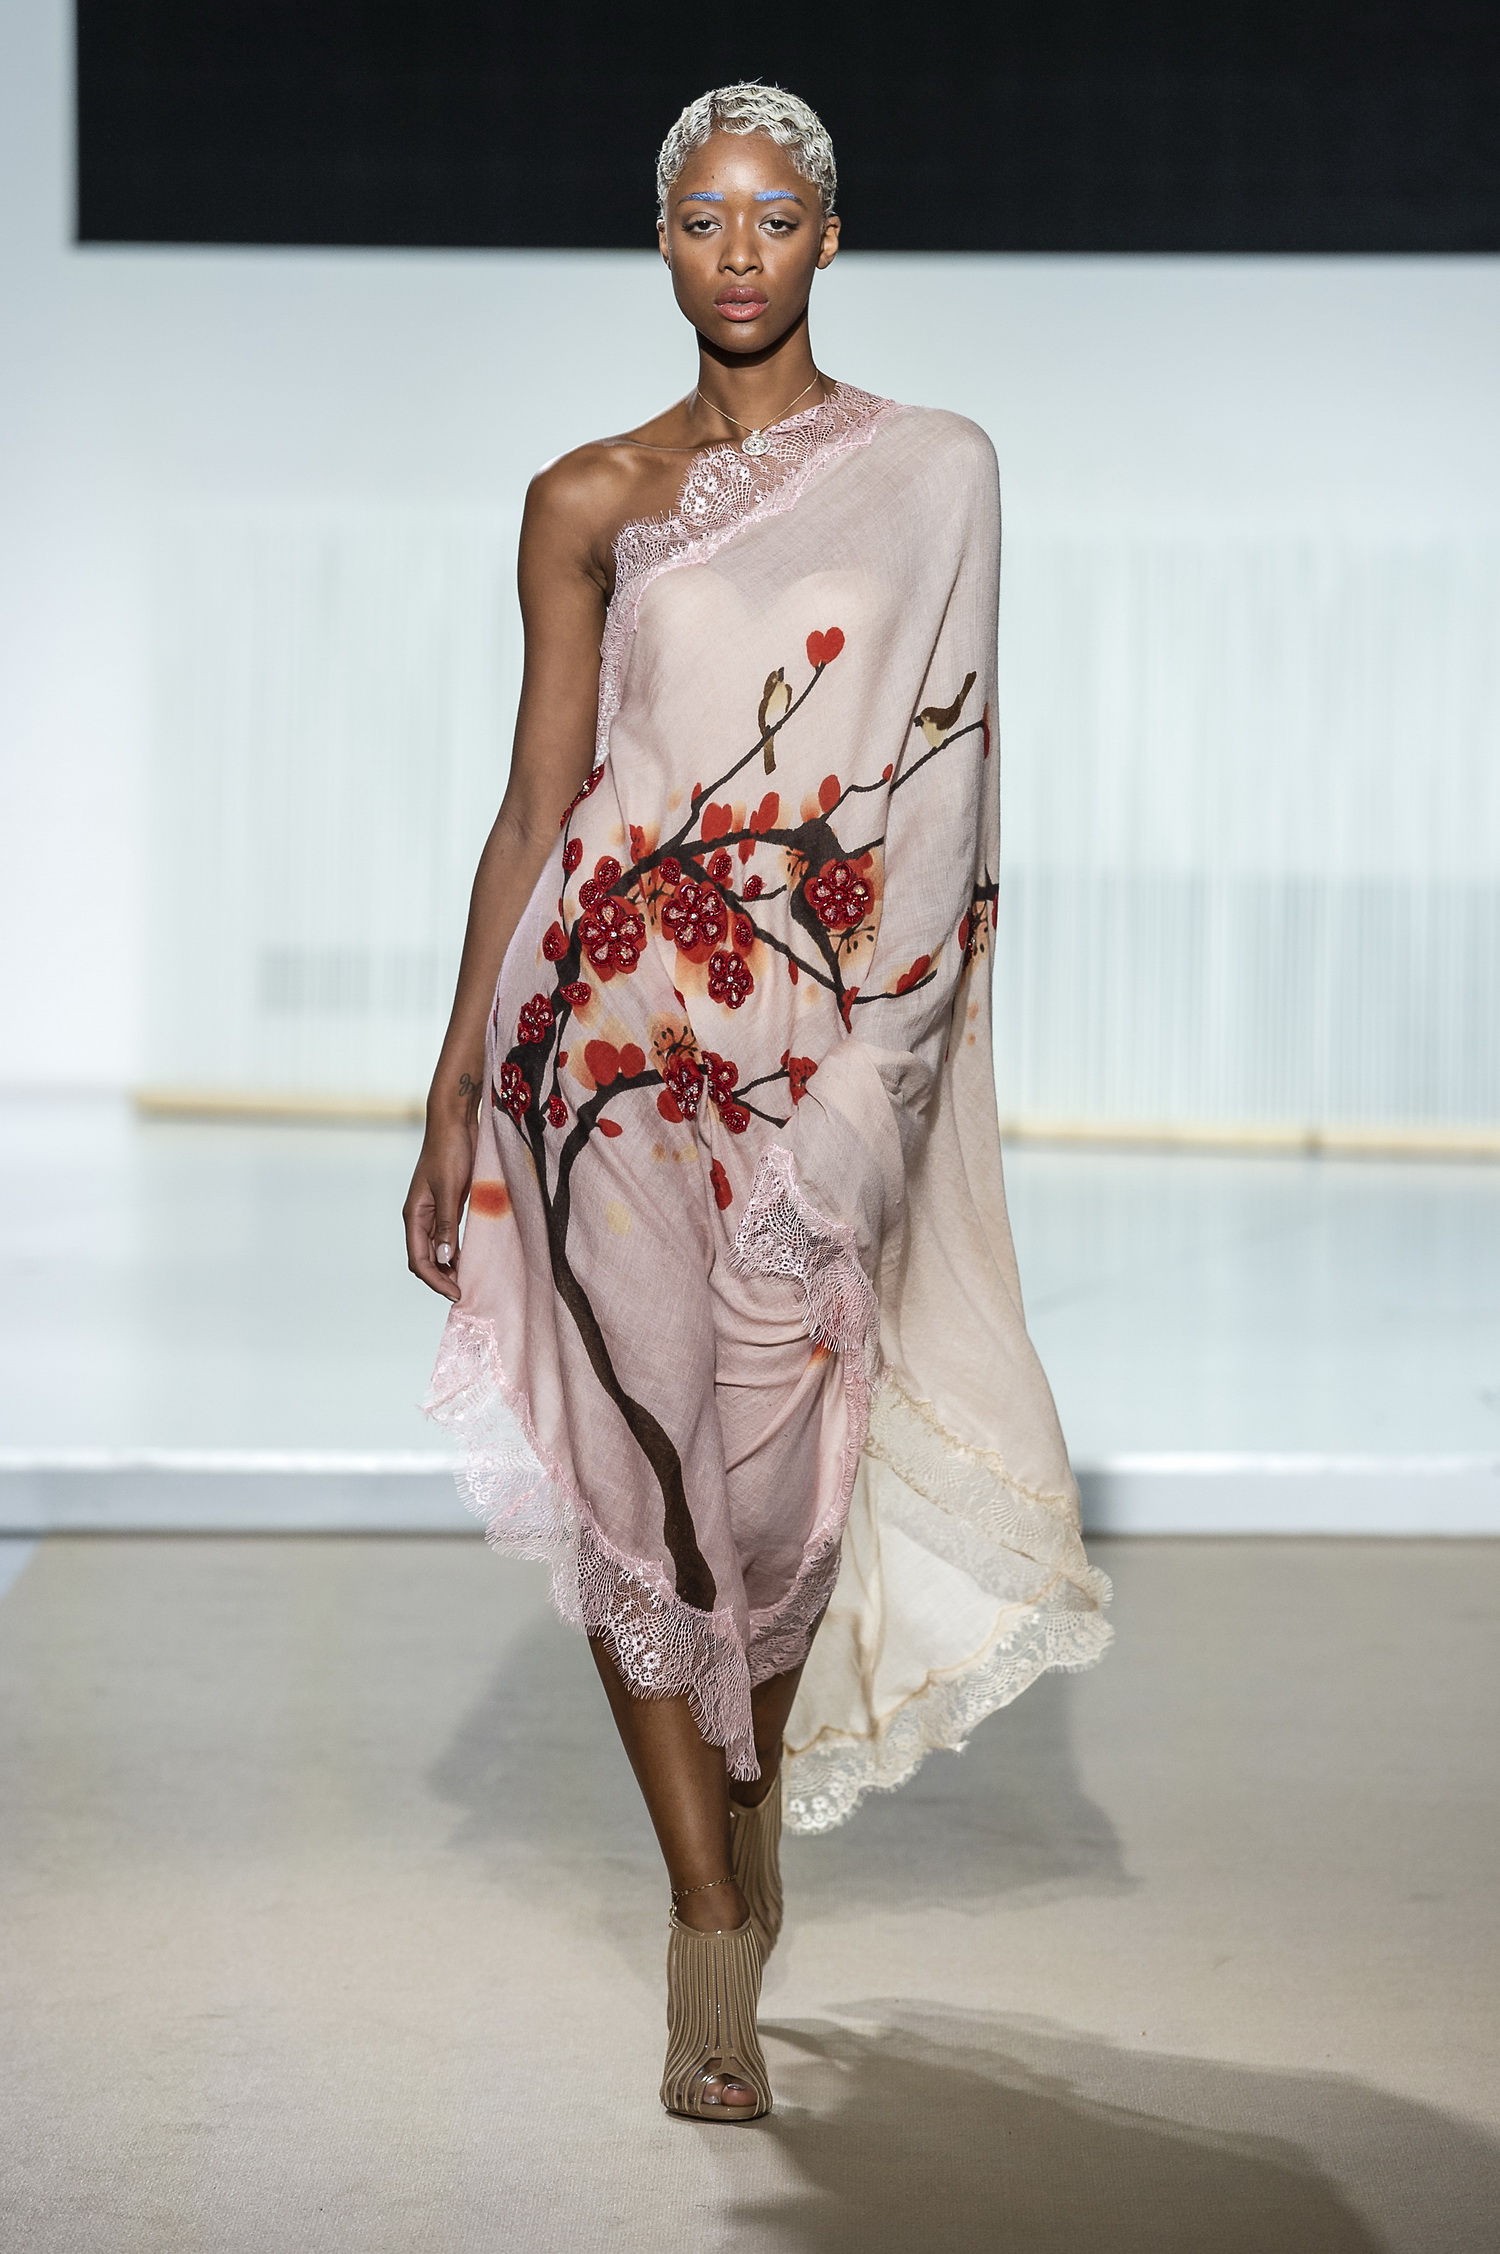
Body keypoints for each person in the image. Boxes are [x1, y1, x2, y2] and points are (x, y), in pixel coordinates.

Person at [405, 83, 1110, 2122]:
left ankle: (746, 1781)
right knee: (636, 1475)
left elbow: (945, 783)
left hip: (809, 1058)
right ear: (661, 238)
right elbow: (538, 801)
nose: (738, 252)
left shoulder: (936, 471)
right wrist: (453, 1085)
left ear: (828, 236)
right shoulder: (586, 497)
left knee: (783, 1492)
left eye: (774, 217)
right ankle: (708, 1922)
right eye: (704, 218)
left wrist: (879, 1077)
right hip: (596, 1052)